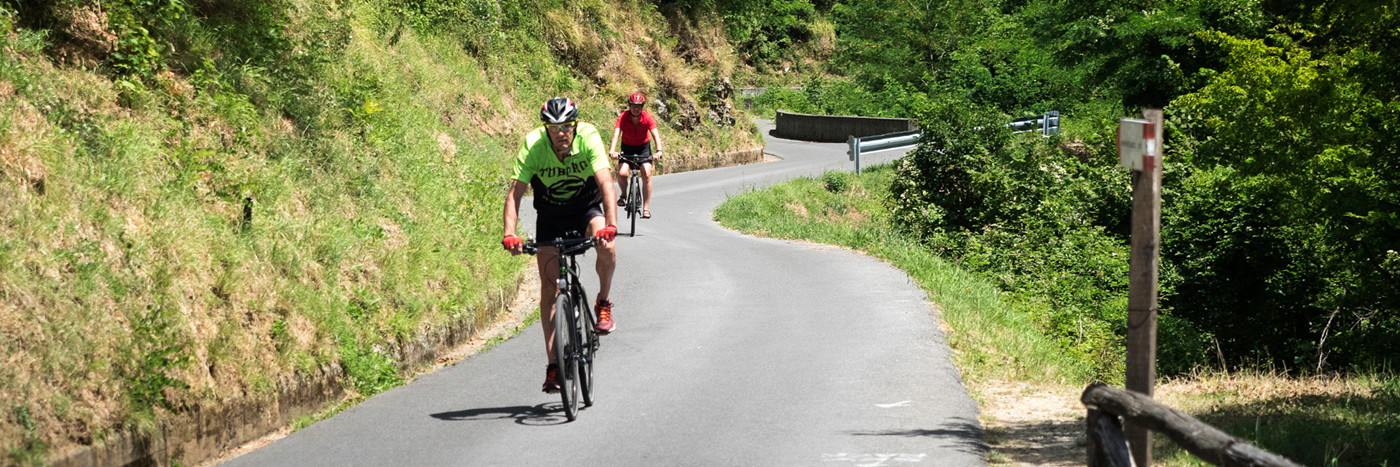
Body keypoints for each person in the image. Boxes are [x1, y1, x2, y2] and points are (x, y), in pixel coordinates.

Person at [501, 97, 619, 394]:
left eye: (567, 126)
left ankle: (603, 302)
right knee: (549, 289)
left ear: (575, 125)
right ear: (546, 129)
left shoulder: (589, 136)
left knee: (607, 248)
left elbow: (606, 183)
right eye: (554, 128)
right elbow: (515, 193)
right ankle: (553, 366)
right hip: (551, 217)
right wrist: (510, 233)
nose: (561, 133)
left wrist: (611, 225)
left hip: (586, 210)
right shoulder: (533, 145)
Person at [608, 92, 665, 219]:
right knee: (622, 173)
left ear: (643, 107)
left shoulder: (648, 118)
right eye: (633, 105)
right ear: (629, 105)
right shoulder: (622, 117)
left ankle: (646, 208)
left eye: (639, 106)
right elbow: (616, 134)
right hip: (627, 148)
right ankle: (623, 195)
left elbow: (655, 135)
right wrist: (613, 150)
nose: (636, 108)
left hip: (643, 148)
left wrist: (659, 151)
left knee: (647, 173)